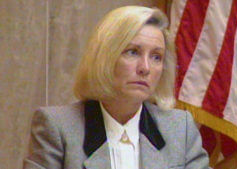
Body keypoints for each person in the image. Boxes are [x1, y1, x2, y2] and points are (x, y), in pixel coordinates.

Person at [23, 6, 210, 169]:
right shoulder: (58, 128)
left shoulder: (179, 129)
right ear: (105, 57)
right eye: (133, 52)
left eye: (156, 57)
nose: (145, 68)